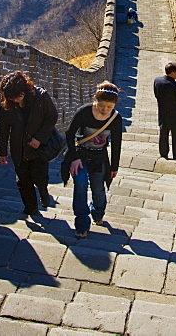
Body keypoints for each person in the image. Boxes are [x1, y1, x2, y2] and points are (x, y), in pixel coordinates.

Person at [64, 82, 123, 238]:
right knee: (80, 184)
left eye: (109, 107)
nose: (104, 110)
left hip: (99, 157)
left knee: (98, 189)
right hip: (81, 156)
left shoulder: (116, 119)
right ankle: (82, 224)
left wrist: (114, 167)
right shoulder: (84, 112)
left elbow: (117, 143)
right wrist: (74, 157)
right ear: (95, 100)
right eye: (101, 105)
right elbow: (69, 134)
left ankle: (97, 213)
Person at [0, 71, 58, 217]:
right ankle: (31, 208)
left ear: (25, 90)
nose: (15, 100)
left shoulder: (41, 97)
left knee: (39, 177)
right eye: (12, 98)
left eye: (18, 96)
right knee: (23, 181)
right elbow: (3, 128)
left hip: (38, 148)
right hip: (19, 148)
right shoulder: (7, 104)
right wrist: (3, 152)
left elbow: (52, 117)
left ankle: (43, 192)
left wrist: (39, 138)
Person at [153, 62, 176, 160]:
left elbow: (156, 94)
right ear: (171, 73)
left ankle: (163, 155)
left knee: (163, 135)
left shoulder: (157, 81)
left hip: (163, 113)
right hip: (175, 116)